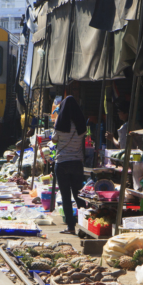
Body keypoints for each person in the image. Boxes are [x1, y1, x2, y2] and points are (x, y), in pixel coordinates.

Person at [51, 96, 87, 235]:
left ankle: (71, 227)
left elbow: (54, 141)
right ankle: (84, 227)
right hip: (77, 163)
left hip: (62, 164)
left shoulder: (60, 126)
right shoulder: (81, 127)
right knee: (79, 196)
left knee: (66, 196)